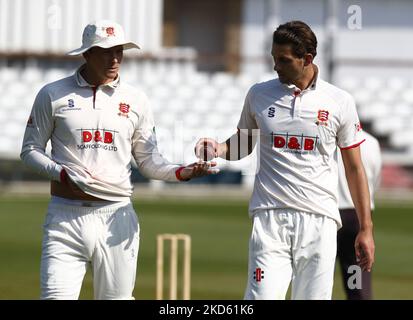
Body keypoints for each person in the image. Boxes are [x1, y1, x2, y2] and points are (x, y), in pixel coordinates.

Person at [20, 20, 217, 300]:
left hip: (117, 216)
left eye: (120, 51)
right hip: (65, 216)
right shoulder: (53, 94)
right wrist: (61, 173)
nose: (115, 59)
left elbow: (148, 162)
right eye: (106, 51)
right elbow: (29, 151)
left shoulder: (136, 100)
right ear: (87, 54)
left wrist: (183, 172)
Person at [195, 20, 375, 300]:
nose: (276, 66)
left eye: (284, 60)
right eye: (273, 58)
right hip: (270, 219)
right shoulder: (259, 94)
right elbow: (243, 144)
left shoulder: (339, 101)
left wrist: (366, 229)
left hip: (320, 221)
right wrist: (218, 148)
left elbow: (354, 168)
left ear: (308, 59)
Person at [337, 130, 382, 299]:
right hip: (357, 218)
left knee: (315, 279)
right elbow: (375, 182)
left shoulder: (329, 137)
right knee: (356, 283)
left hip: (328, 214)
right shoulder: (371, 142)